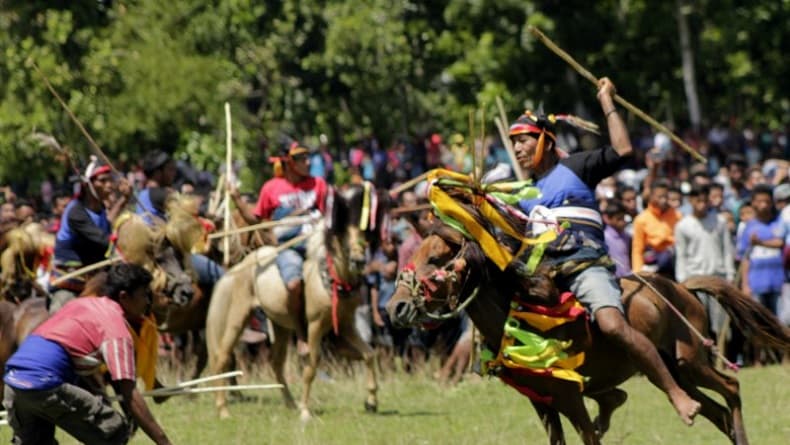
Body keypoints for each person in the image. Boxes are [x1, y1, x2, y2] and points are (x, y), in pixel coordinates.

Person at [509, 77, 700, 425]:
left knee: (612, 325)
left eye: (523, 140)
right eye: (514, 143)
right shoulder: (523, 192)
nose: (518, 148)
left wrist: (607, 101)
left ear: (546, 142)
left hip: (586, 268)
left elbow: (624, 152)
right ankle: (604, 396)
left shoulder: (576, 167)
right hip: (547, 278)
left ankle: (676, 392)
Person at [3, 263, 172, 445]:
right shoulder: (115, 329)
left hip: (13, 381)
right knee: (113, 430)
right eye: (143, 295)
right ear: (124, 296)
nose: (148, 301)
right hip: (42, 382)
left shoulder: (80, 304)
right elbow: (129, 394)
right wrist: (163, 441)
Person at [232, 142, 329, 340]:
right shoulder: (271, 188)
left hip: (318, 244)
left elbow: (328, 214)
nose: (308, 162)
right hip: (289, 248)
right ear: (289, 163)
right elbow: (255, 219)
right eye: (302, 158)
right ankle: (302, 334)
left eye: (307, 157)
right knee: (293, 285)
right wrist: (237, 200)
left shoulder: (319, 184)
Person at [49, 159, 131, 312]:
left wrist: (124, 199)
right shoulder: (76, 212)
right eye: (103, 181)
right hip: (72, 278)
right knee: (63, 314)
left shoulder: (99, 207)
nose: (110, 185)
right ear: (88, 186)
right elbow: (103, 240)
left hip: (97, 277)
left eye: (110, 180)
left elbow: (106, 223)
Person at [674, 184, 735, 336]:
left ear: (709, 201)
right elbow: (681, 255)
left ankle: (723, 357)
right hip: (695, 279)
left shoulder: (719, 221)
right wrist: (682, 280)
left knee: (721, 324)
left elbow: (727, 250)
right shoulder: (683, 225)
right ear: (691, 201)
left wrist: (730, 275)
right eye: (697, 201)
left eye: (704, 200)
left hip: (717, 277)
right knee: (700, 322)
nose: (701, 204)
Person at [631, 179, 681, 277]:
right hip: (653, 261)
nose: (663, 200)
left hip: (674, 261)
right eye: (659, 197)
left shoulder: (677, 216)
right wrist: (638, 272)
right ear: (651, 196)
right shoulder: (642, 219)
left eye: (665, 196)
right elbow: (638, 248)